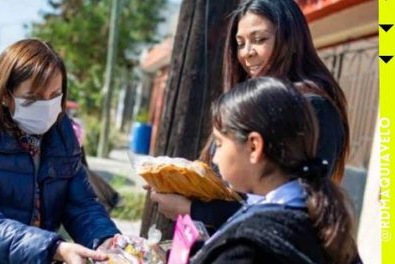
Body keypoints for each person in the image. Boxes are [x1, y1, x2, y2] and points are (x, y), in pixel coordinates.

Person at [150, 0, 350, 235]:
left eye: (259, 39)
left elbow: (291, 208)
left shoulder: (313, 109)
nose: (247, 53)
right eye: (240, 43)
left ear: (291, 40)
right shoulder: (249, 99)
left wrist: (195, 210)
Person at [0, 39, 119, 264]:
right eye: (32, 98)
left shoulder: (62, 134)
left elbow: (82, 204)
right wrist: (54, 248)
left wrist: (108, 242)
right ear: (6, 95)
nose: (46, 106)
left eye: (54, 95)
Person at [190, 77, 360, 264]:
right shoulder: (326, 227)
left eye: (219, 143)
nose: (215, 158)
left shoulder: (247, 250)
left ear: (254, 147)